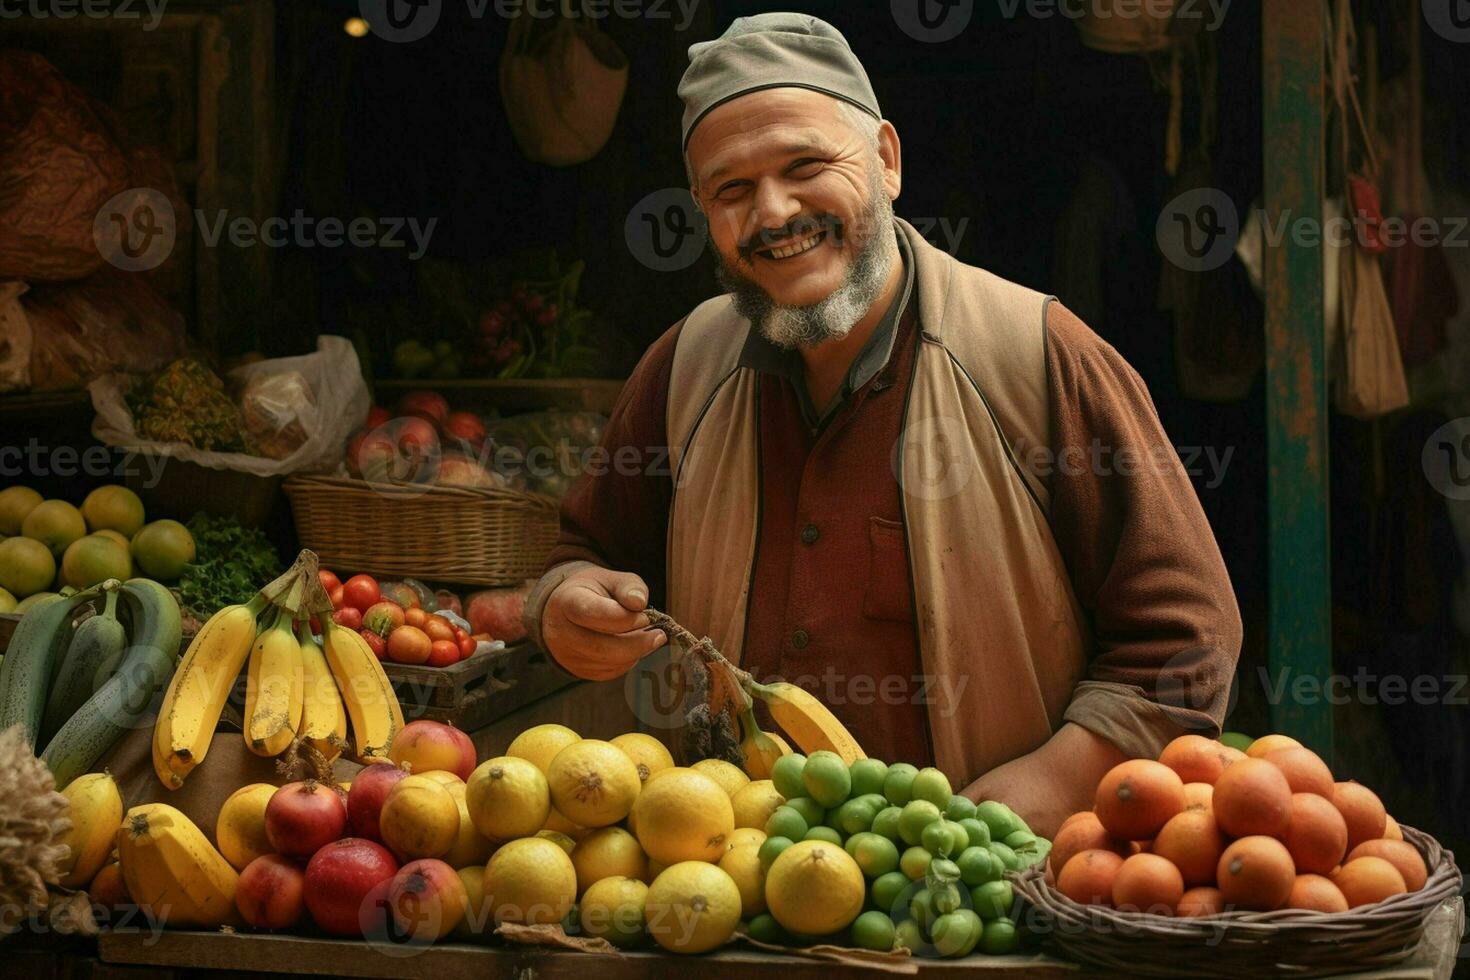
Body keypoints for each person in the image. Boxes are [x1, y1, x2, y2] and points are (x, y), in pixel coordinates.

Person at [521, 13, 1241, 837]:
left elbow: (1184, 639)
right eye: (731, 189)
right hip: (730, 892)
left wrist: (1051, 781)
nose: (775, 211)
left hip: (984, 897)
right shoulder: (683, 368)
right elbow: (584, 554)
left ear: (887, 160)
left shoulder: (1035, 357)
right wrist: (565, 607)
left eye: (805, 166)